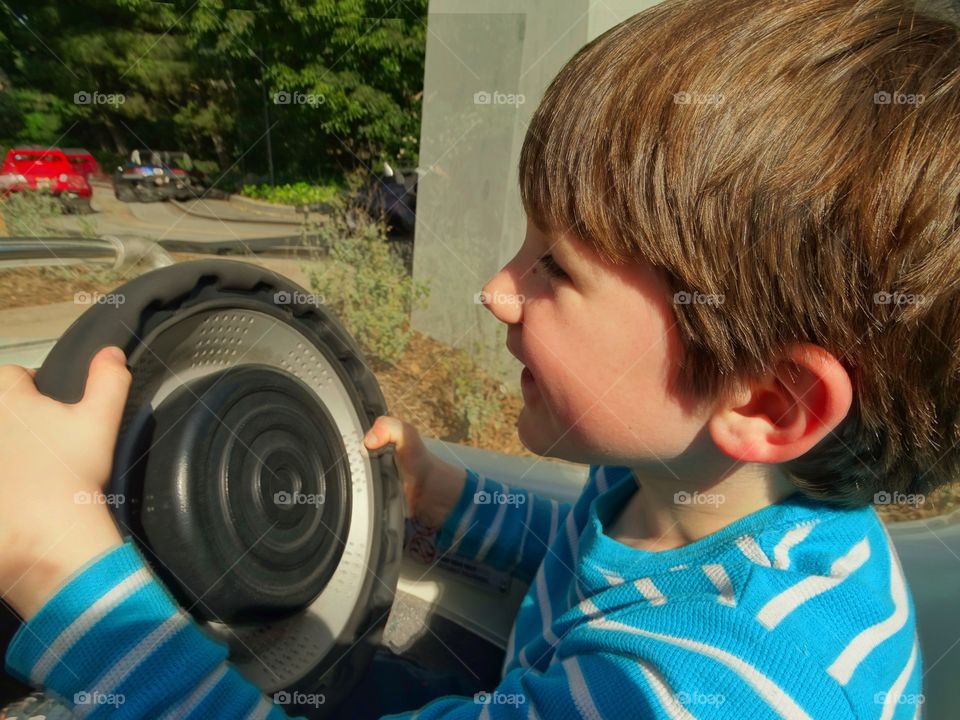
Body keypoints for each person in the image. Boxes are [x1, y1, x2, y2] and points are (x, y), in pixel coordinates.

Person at [2, 0, 956, 716]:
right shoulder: (684, 493)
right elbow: (589, 557)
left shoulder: (698, 692)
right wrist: (449, 499)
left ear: (771, 401)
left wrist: (54, 553)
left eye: (557, 268)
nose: (496, 290)